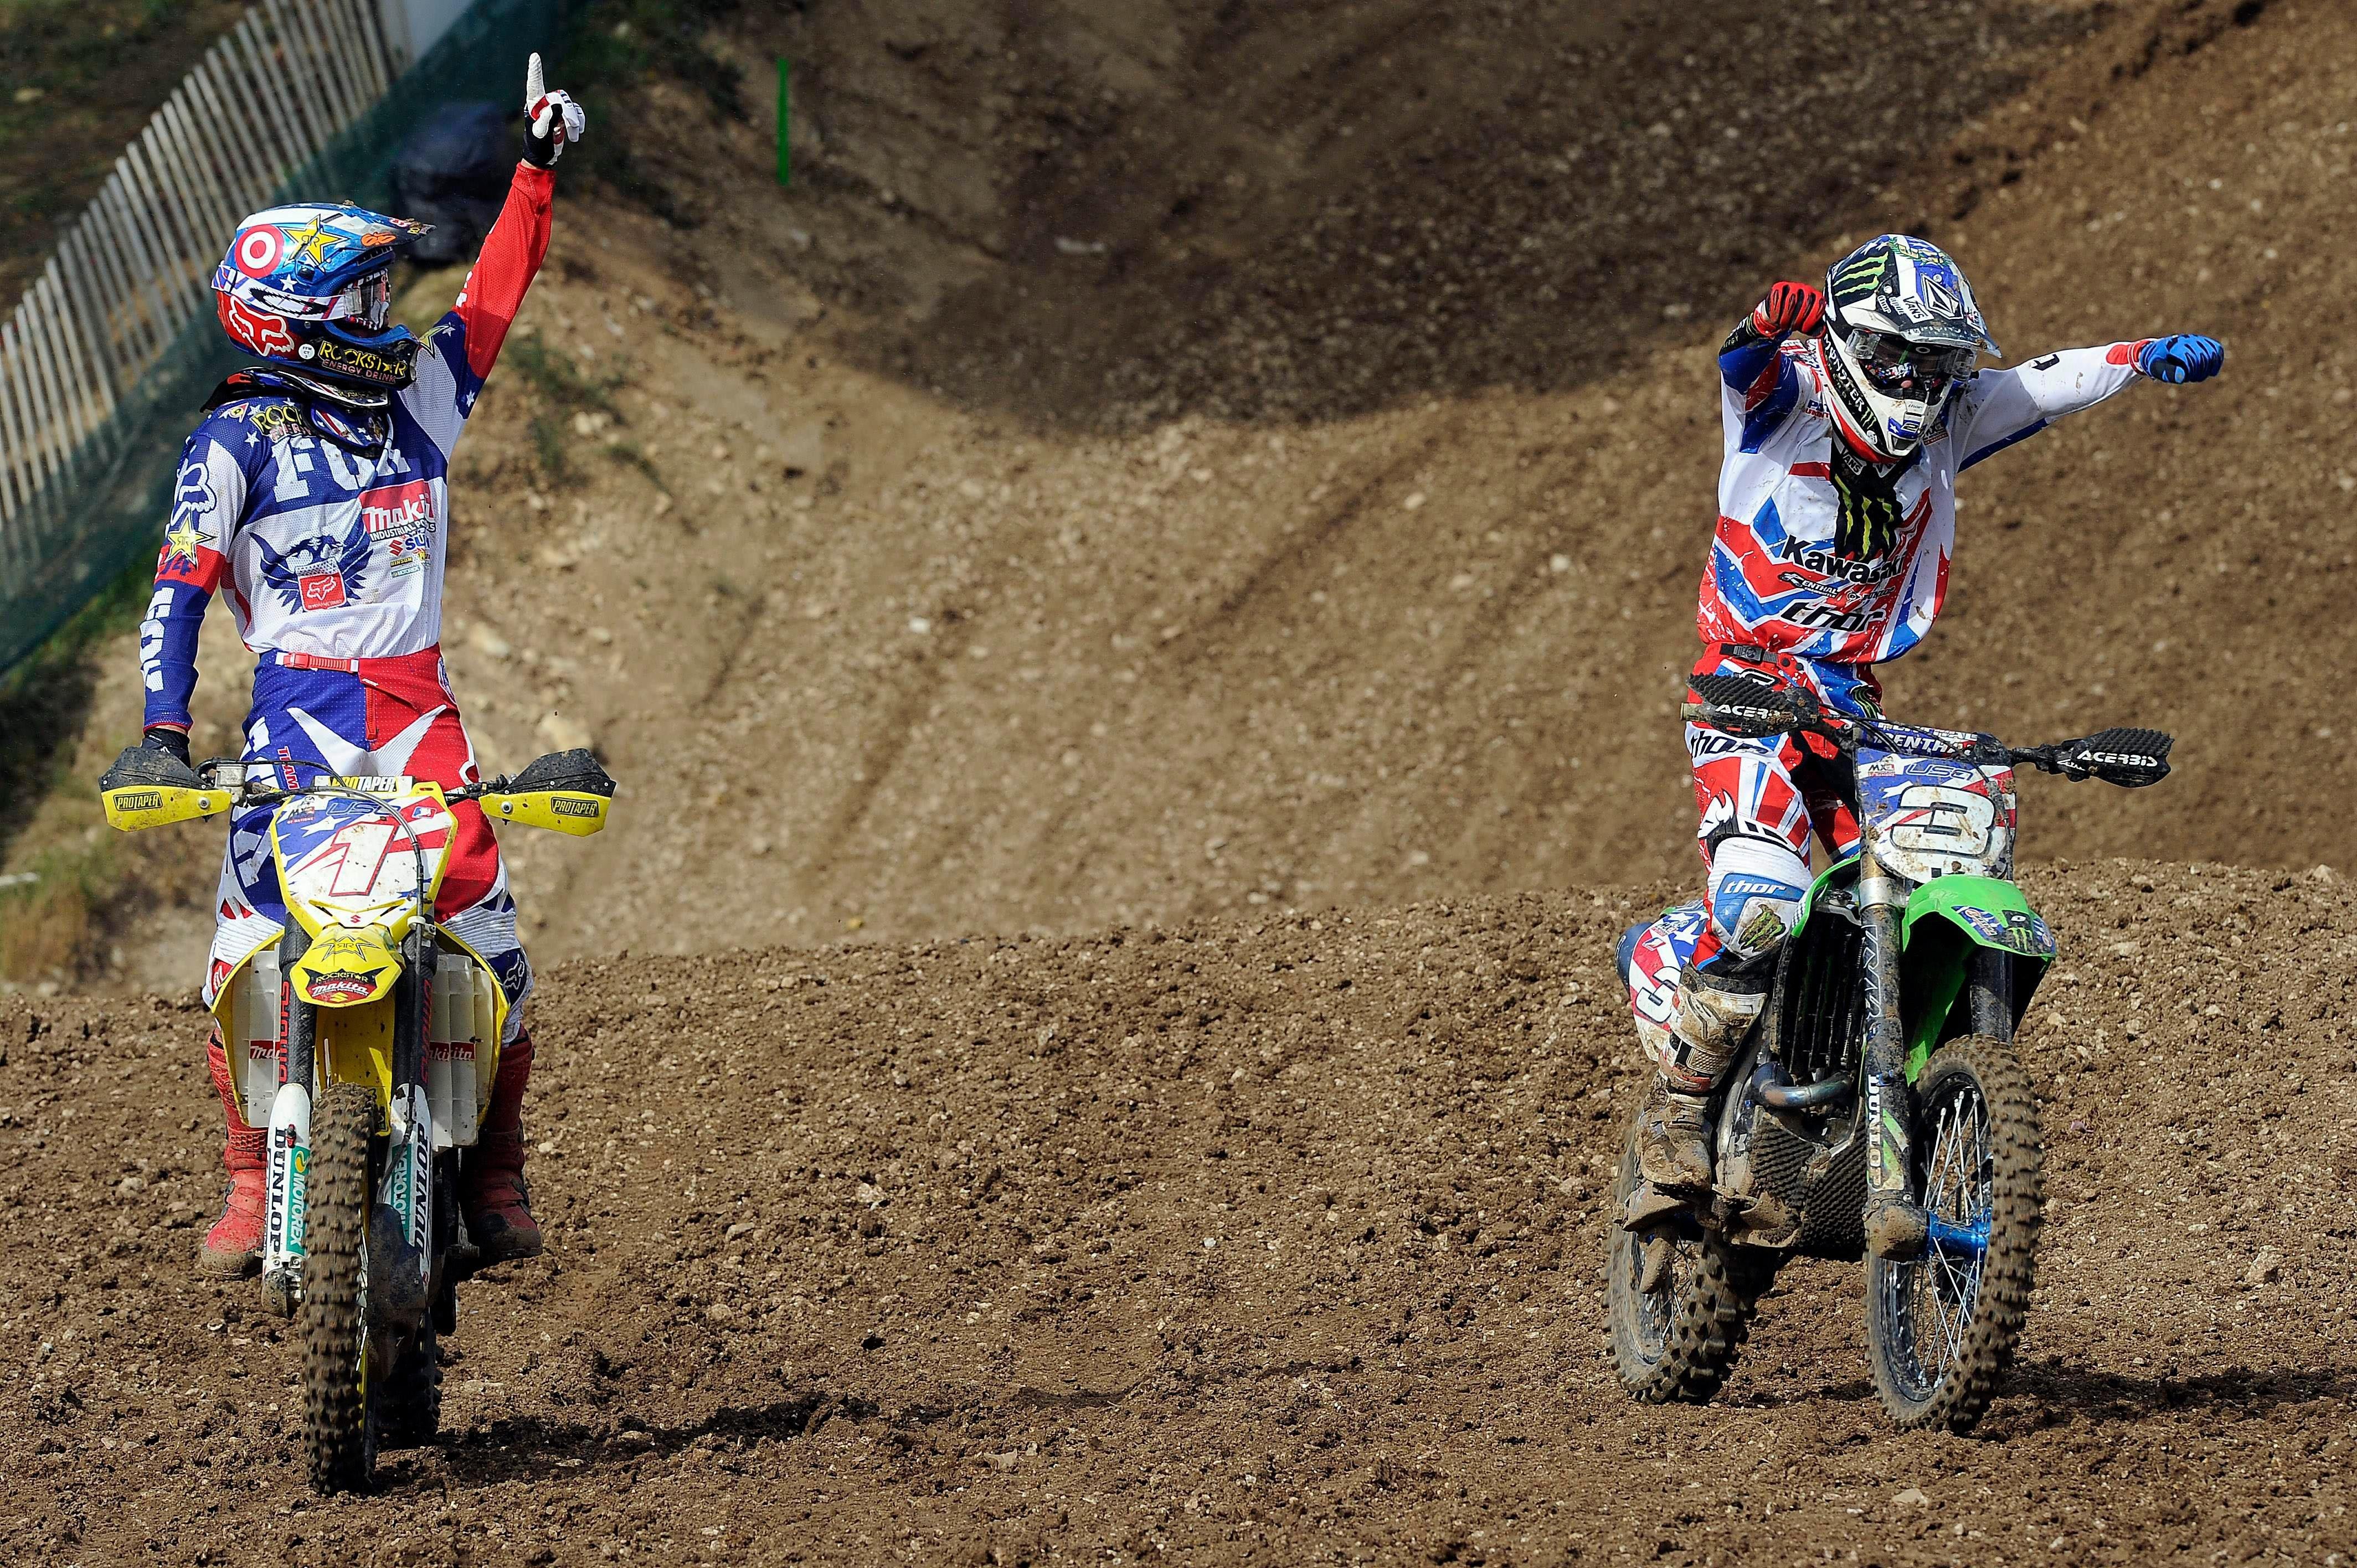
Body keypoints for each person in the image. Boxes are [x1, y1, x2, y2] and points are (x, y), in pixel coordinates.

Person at [1622, 233, 2223, 1248]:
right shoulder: (1786, 403)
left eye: (1938, 363)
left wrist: (2142, 355)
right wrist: (1766, 322)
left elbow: (2044, 384)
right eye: (1898, 357)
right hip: (1747, 687)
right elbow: (1742, 365)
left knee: (1905, 876)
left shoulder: (1947, 421)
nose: (1917, 383)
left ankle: (1858, 1100)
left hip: (1850, 699)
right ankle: (1676, 1122)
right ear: (1849, 346)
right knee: (1764, 903)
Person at [133, 56, 588, 1278]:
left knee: (491, 943)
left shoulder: (419, 405)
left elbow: (493, 298)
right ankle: (248, 1177)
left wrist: (535, 174)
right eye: (366, 294)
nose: (388, 309)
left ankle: (494, 1168)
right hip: (292, 715)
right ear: (300, 319)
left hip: (419, 712)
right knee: (245, 947)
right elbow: (178, 591)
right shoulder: (231, 439)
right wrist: (162, 733)